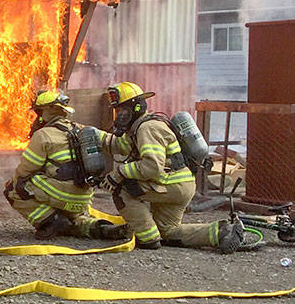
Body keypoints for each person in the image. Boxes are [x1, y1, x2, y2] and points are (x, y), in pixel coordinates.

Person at [104, 81, 244, 253]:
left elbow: (152, 167)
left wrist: (118, 173)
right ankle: (222, 232)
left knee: (122, 189)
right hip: (180, 183)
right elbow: (120, 145)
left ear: (137, 108)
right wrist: (89, 133)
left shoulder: (147, 128)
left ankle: (148, 239)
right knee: (169, 231)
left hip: (170, 185)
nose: (119, 116)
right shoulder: (139, 128)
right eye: (117, 111)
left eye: (123, 111)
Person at [4, 90, 130, 240]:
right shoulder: (84, 129)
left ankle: (50, 220)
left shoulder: (43, 135)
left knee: (13, 189)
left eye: (39, 111)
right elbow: (120, 145)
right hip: (83, 198)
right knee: (74, 220)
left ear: (47, 110)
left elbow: (25, 171)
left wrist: (19, 182)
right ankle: (100, 229)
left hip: (60, 195)